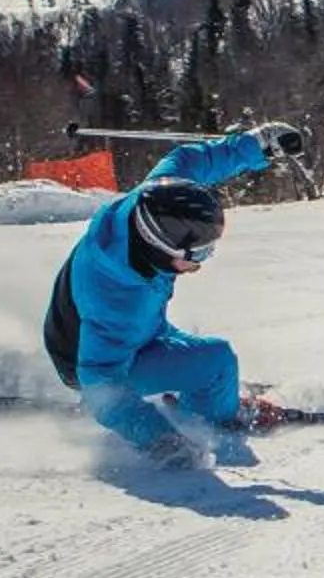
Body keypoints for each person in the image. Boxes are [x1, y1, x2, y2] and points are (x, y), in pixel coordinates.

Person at [42, 121, 306, 470]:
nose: (203, 261)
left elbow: (193, 160)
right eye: (198, 253)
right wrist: (161, 440)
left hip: (139, 332)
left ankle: (202, 397)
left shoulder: (156, 196)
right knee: (216, 362)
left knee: (217, 364)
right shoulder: (119, 298)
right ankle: (213, 418)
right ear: (161, 248)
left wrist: (259, 145)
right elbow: (100, 385)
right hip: (86, 362)